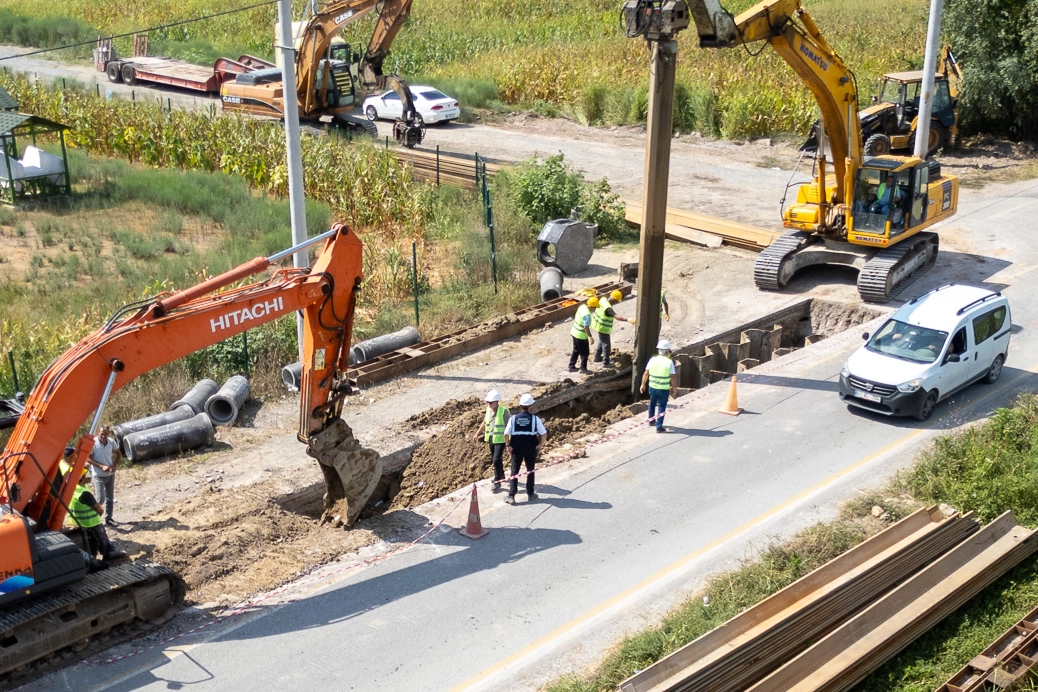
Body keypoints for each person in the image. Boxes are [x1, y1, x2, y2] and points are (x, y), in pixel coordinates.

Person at [68, 467, 127, 563]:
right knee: (101, 538)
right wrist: (100, 511)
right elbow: (97, 508)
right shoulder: (84, 493)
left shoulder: (73, 488)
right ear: (81, 478)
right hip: (90, 522)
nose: (89, 476)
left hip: (77, 521)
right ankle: (108, 553)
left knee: (90, 542)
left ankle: (94, 556)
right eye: (87, 475)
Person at [503, 393, 547, 505]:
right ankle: (531, 494)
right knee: (530, 471)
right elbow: (543, 433)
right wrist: (540, 445)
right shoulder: (535, 419)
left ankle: (511, 495)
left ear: (520, 405)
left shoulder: (513, 419)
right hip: (530, 449)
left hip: (516, 449)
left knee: (514, 471)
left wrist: (508, 446)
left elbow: (506, 434)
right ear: (531, 406)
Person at [471, 389, 510, 492]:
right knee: (496, 459)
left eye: (491, 402)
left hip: (501, 439)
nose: (489, 404)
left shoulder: (504, 411)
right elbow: (484, 422)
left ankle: (497, 481)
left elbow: (509, 426)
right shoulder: (488, 410)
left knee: (496, 459)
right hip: (491, 438)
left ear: (497, 402)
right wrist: (477, 434)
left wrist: (509, 443)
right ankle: (501, 474)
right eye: (487, 402)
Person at [640, 339, 678, 433]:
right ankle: (659, 426)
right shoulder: (669, 362)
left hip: (652, 387)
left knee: (652, 404)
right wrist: (674, 388)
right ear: (666, 351)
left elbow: (646, 373)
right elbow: (673, 377)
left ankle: (651, 420)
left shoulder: (652, 359)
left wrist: (642, 385)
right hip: (663, 389)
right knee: (661, 407)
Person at [88, 425, 120, 527]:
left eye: (106, 434)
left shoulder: (111, 442)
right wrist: (100, 466)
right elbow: (87, 458)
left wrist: (114, 465)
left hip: (110, 474)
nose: (104, 436)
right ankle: (93, 519)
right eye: (102, 434)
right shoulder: (93, 443)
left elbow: (119, 454)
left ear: (108, 434)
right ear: (98, 433)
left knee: (110, 498)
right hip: (98, 475)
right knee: (100, 499)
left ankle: (109, 519)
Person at [592, 290, 633, 368]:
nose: (616, 303)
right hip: (603, 328)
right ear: (613, 299)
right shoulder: (608, 309)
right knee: (606, 345)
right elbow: (616, 317)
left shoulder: (603, 300)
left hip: (598, 325)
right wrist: (628, 319)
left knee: (601, 341)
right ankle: (606, 363)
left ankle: (597, 357)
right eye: (616, 301)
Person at [568, 296, 597, 373]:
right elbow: (586, 327)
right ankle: (583, 369)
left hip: (574, 332)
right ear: (591, 306)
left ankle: (571, 366)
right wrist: (590, 337)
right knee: (585, 352)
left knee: (576, 350)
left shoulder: (582, 307)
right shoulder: (587, 315)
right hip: (581, 335)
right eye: (594, 307)